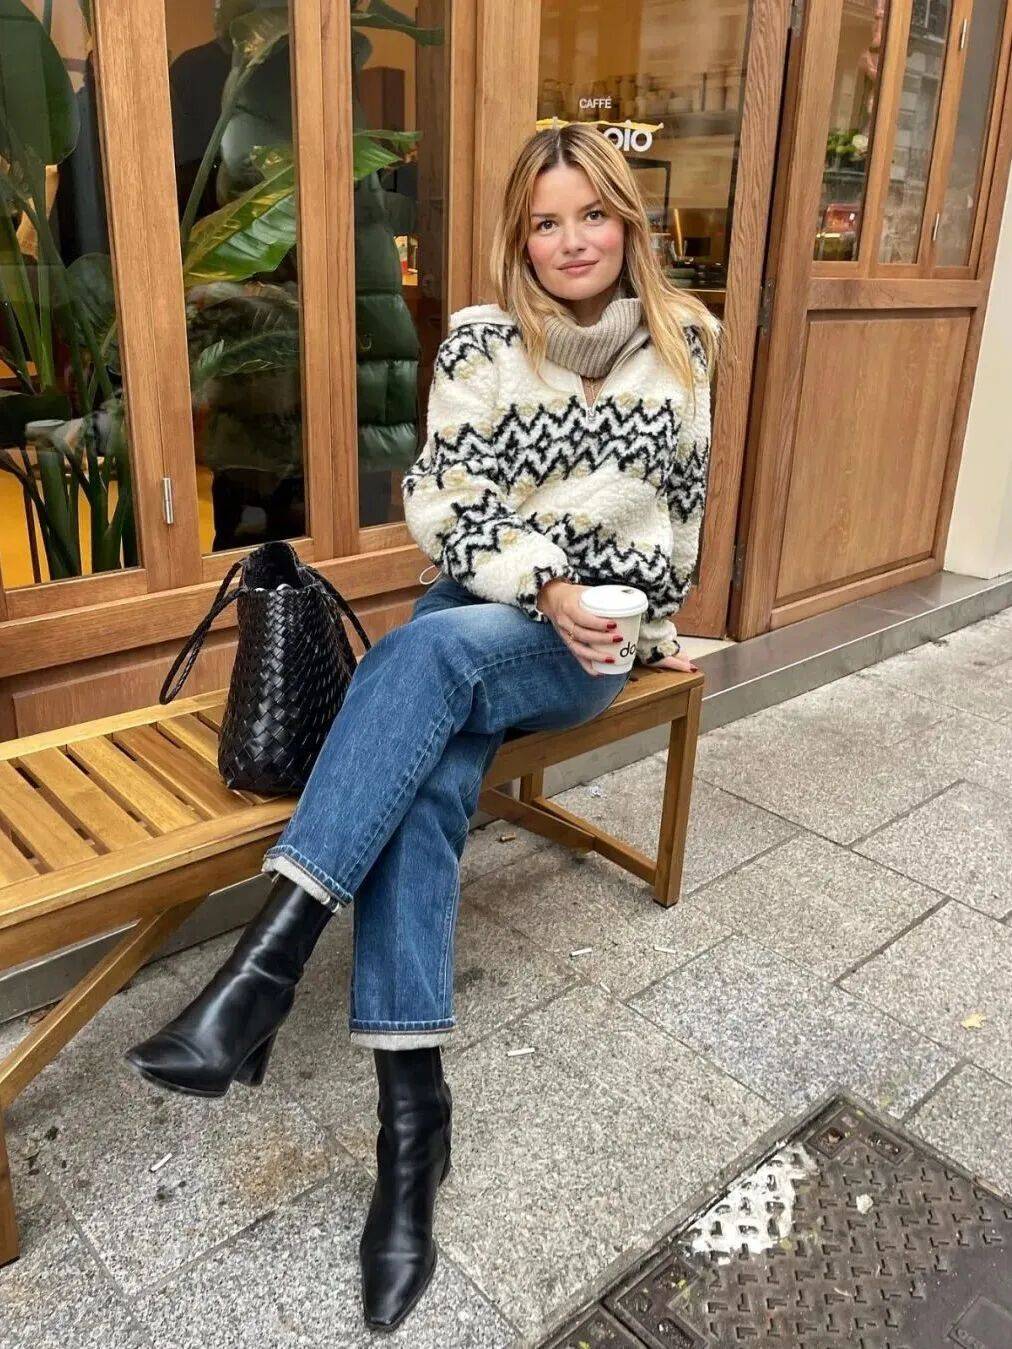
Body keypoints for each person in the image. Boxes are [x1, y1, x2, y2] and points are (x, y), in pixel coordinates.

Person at [124, 121, 720, 1332]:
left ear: (627, 221)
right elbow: (444, 505)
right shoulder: (481, 342)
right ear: (520, 237)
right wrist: (540, 575)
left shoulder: (683, 342)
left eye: (591, 215)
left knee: (420, 656)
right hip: (483, 611)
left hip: (581, 648)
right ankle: (413, 1124)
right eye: (545, 222)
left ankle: (264, 971)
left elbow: (678, 526)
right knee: (433, 756)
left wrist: (623, 614)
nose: (570, 240)